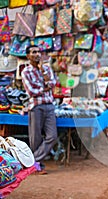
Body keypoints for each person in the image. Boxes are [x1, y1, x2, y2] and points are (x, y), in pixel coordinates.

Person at [21, 45, 57, 174]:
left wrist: (44, 75)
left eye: (38, 52)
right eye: (34, 52)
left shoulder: (46, 68)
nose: (37, 54)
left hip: (49, 105)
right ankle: (37, 166)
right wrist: (44, 88)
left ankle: (31, 162)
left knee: (52, 136)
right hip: (36, 106)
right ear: (28, 56)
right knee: (35, 138)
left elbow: (52, 83)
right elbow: (31, 91)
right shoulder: (26, 72)